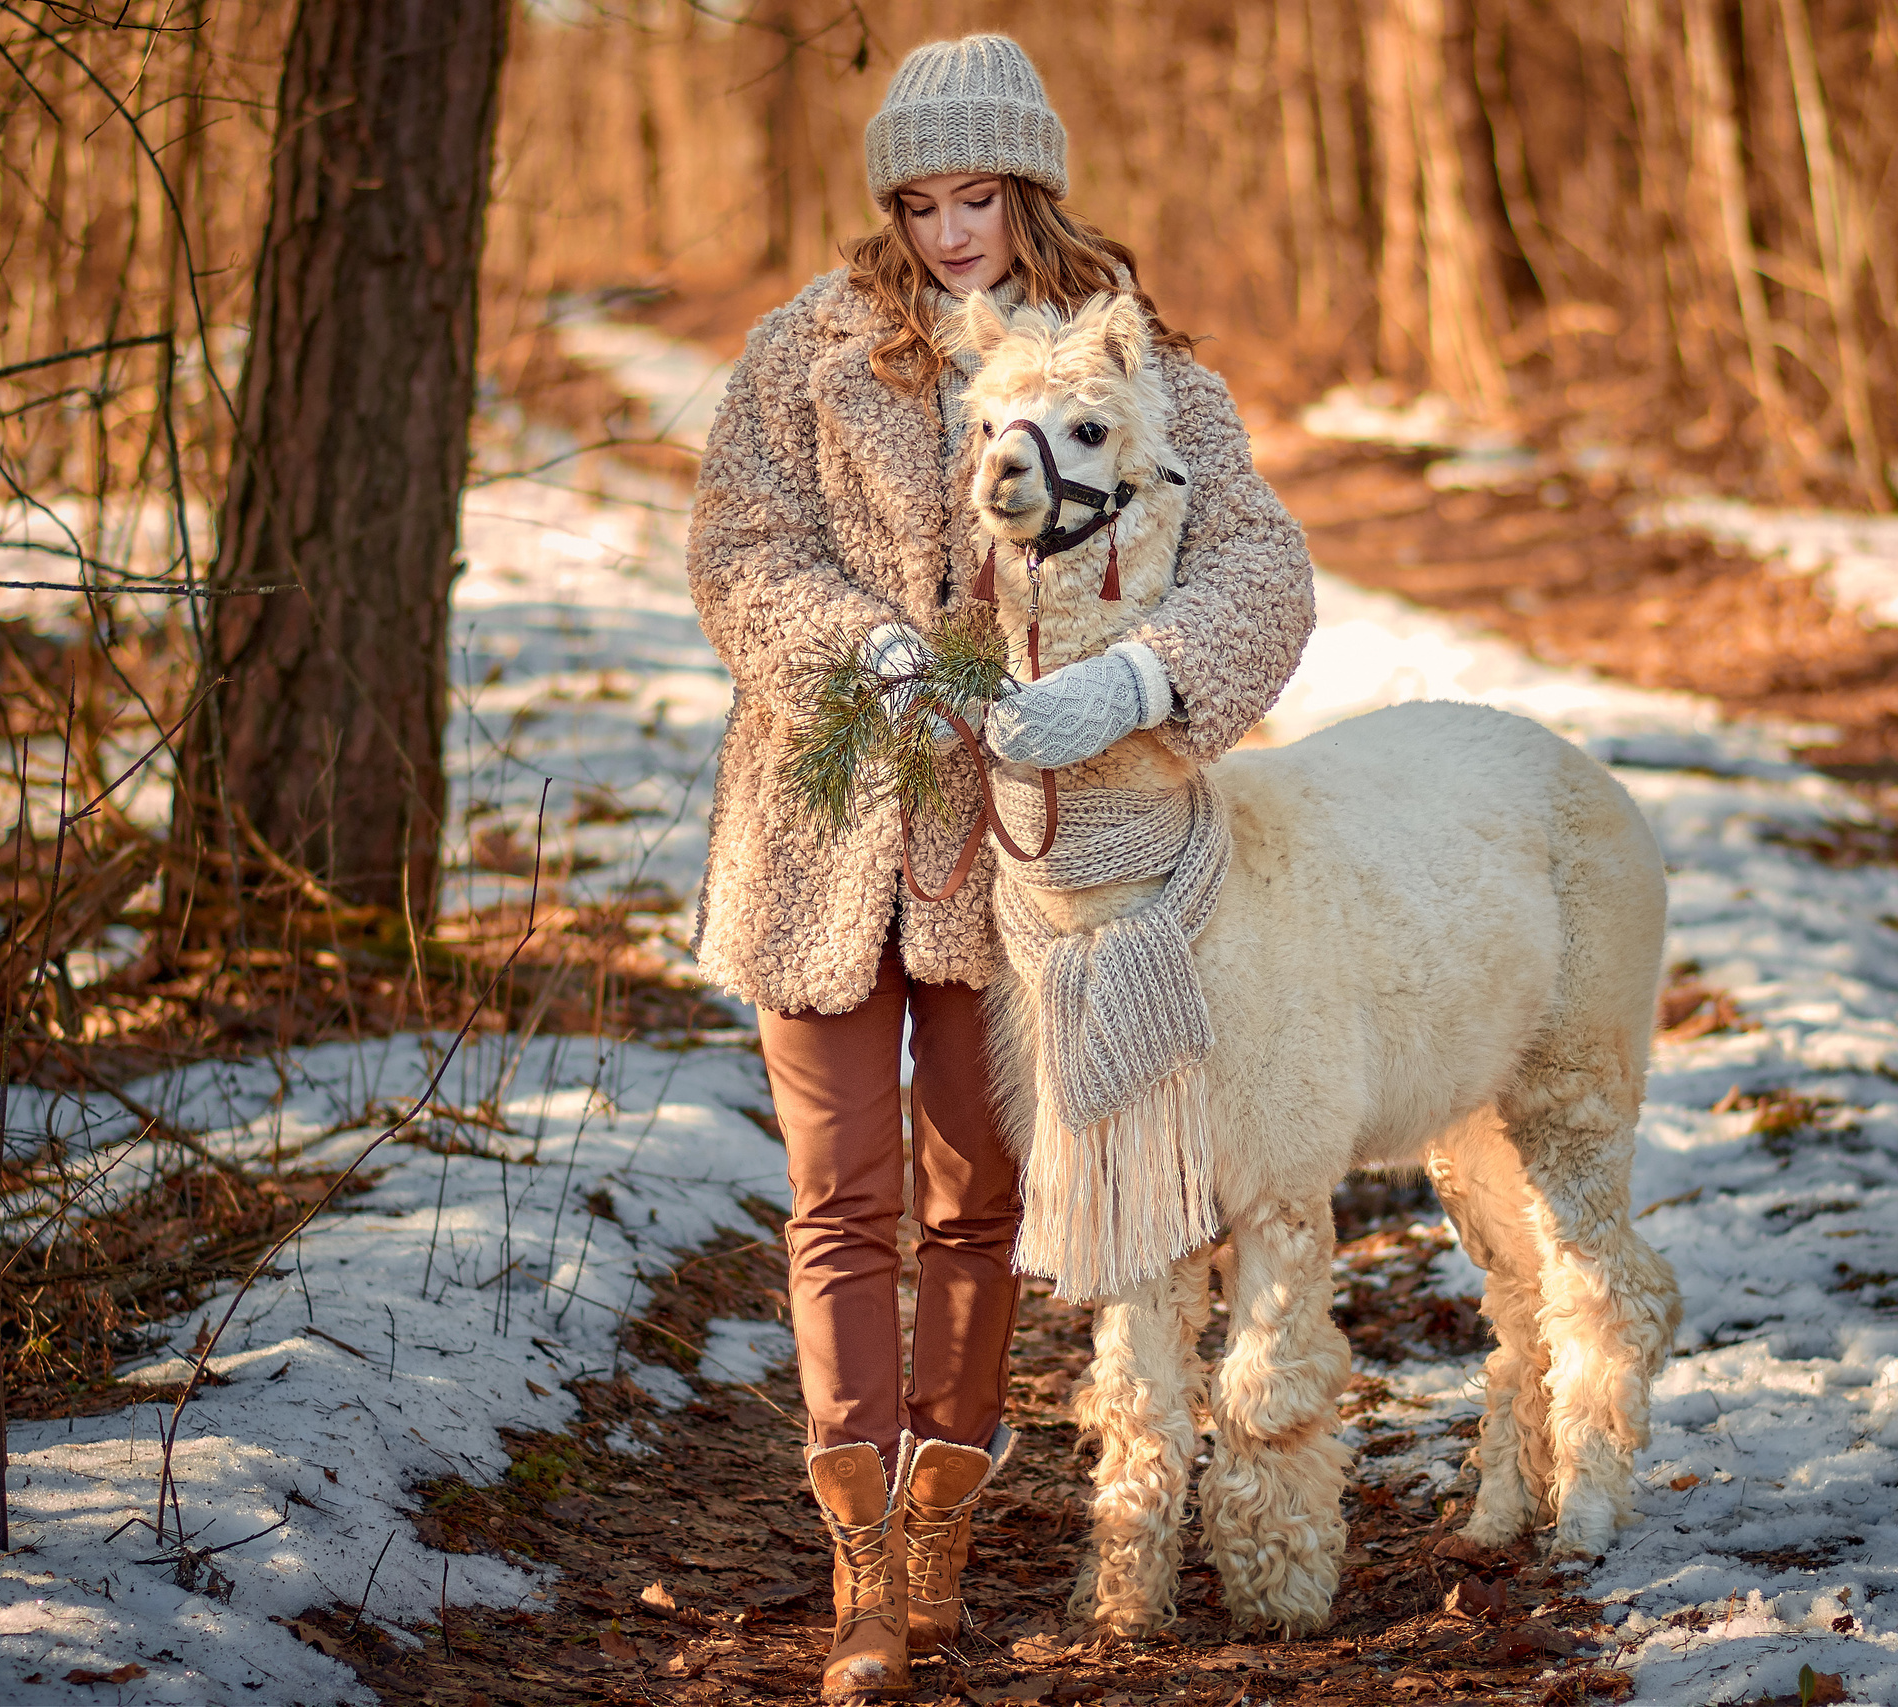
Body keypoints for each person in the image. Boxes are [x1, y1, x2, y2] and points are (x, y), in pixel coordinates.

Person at [686, 33, 1315, 1699]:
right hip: (822, 832)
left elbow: (1262, 568)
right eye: (918, 197)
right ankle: (864, 1569)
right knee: (842, 1198)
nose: (949, 229)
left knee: (978, 1201)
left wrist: (1138, 682)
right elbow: (739, 551)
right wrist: (867, 653)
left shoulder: (1132, 364)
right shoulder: (806, 353)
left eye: (978, 194)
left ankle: (950, 1528)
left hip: (1024, 851)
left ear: (1030, 185)